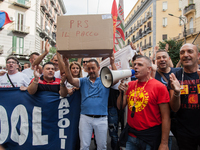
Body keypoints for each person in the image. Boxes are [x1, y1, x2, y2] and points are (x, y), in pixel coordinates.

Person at [60, 53, 116, 150]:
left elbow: (117, 77)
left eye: (93, 68)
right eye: (88, 68)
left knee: (102, 146)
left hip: (101, 119)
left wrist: (112, 63)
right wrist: (66, 63)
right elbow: (71, 80)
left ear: (98, 68)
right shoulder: (82, 81)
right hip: (85, 118)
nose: (91, 71)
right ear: (86, 69)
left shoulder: (105, 80)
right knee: (84, 146)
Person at [117, 55, 170, 150]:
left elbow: (165, 117)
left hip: (149, 137)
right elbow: (120, 106)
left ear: (149, 69)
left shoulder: (160, 87)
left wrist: (164, 143)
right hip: (131, 135)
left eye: (140, 65)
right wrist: (121, 92)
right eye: (134, 65)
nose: (135, 67)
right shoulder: (130, 85)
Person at [169, 43, 200, 150]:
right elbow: (174, 108)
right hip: (184, 131)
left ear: (198, 55)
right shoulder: (175, 76)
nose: (185, 55)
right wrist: (177, 93)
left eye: (190, 51)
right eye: (182, 52)